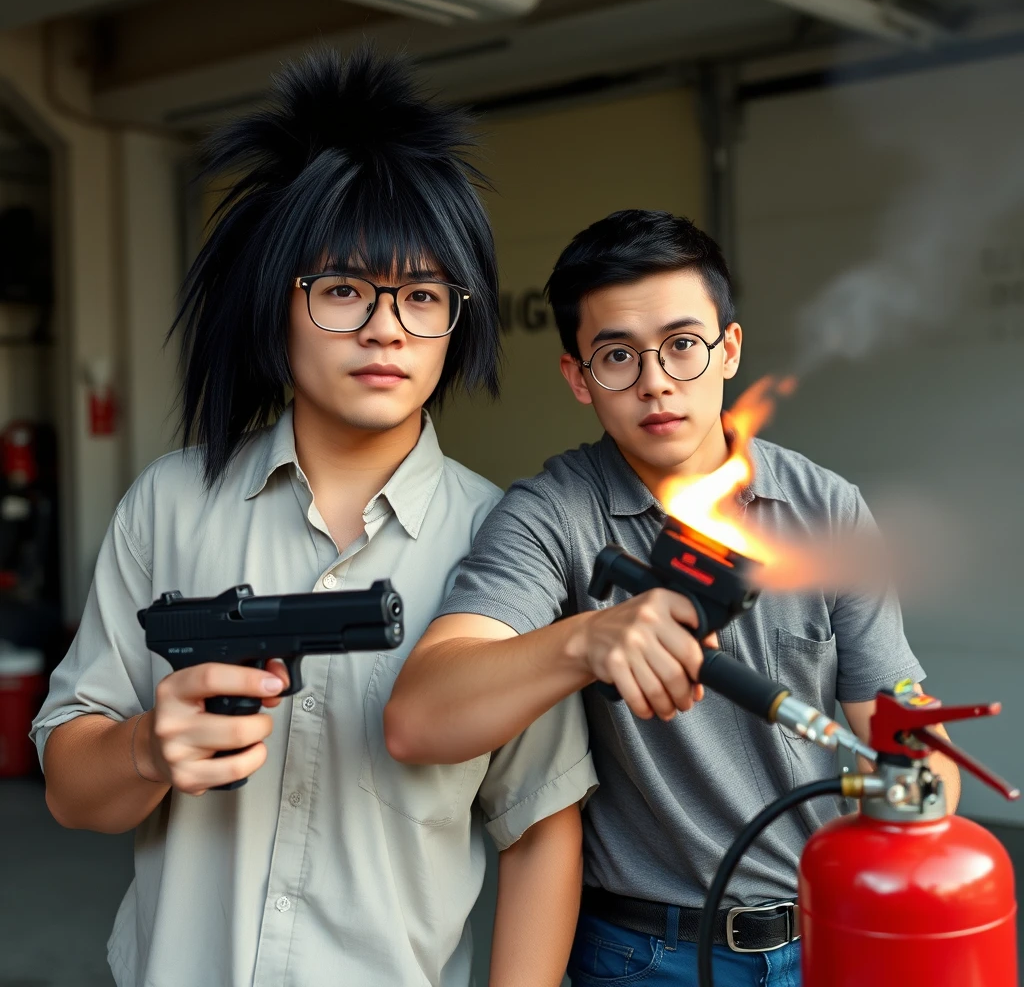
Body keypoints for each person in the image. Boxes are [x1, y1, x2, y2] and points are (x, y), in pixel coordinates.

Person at [31, 48, 596, 987]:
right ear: (276, 305)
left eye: (422, 297)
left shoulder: (510, 543)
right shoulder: (168, 507)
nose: (386, 328)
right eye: (343, 291)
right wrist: (143, 747)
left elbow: (540, 826)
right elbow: (69, 791)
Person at [386, 209, 961, 986]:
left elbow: (893, 714)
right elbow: (420, 717)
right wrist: (587, 640)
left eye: (682, 345)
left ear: (728, 350)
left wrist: (923, 772)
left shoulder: (827, 510)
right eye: (616, 355)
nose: (655, 380)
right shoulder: (552, 514)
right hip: (643, 956)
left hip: (828, 938)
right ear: (577, 378)